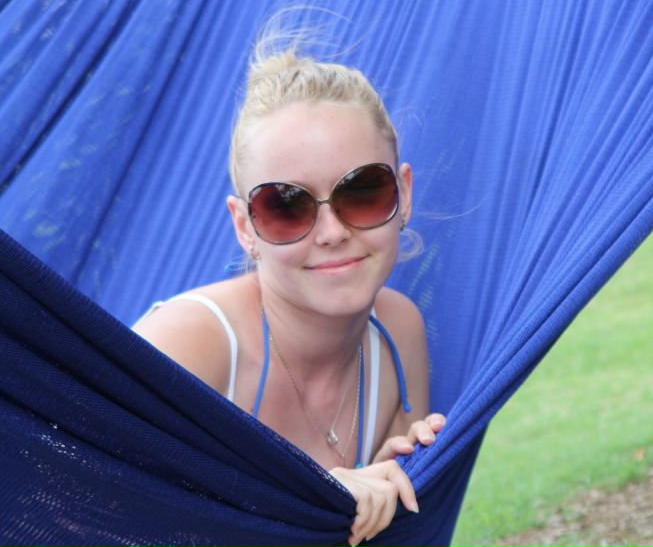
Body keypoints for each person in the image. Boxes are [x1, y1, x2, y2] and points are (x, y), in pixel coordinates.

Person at [133, 39, 445, 546]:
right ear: (244, 227)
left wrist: (386, 482)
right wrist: (308, 499)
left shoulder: (398, 333)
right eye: (286, 205)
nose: (332, 232)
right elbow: (83, 518)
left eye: (362, 190)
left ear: (403, 194)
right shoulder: (189, 344)